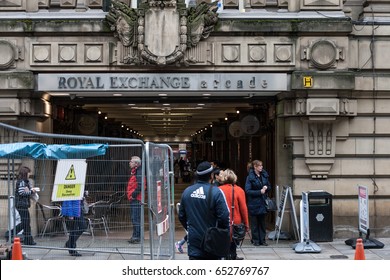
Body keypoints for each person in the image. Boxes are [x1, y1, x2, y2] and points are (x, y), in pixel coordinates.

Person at [178, 161, 230, 260]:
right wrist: (223, 234)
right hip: (212, 241)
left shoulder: (187, 192)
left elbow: (181, 216)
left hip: (194, 241)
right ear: (211, 176)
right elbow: (224, 217)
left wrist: (191, 229)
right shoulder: (217, 192)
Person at [218, 169, 249, 260]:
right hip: (235, 219)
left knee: (224, 238)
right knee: (234, 239)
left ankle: (225, 255)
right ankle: (233, 255)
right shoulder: (239, 190)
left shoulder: (219, 190)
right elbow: (243, 209)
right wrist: (246, 223)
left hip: (222, 219)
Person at [245, 160, 272, 246]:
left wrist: (266, 187)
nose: (261, 167)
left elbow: (269, 186)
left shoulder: (264, 175)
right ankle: (256, 240)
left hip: (262, 202)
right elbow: (248, 191)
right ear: (255, 167)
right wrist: (259, 191)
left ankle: (263, 240)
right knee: (254, 223)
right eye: (259, 166)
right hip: (254, 203)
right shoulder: (250, 177)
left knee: (262, 222)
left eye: (261, 165)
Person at [14, 166, 37, 245]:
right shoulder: (22, 182)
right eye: (28, 173)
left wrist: (31, 189)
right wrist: (32, 191)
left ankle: (28, 240)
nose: (29, 175)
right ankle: (9, 233)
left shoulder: (25, 181)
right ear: (25, 173)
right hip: (21, 205)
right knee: (26, 222)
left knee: (26, 222)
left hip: (23, 204)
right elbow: (21, 192)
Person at [126, 155, 143, 244]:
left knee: (135, 218)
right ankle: (136, 236)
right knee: (135, 218)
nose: (130, 163)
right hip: (135, 198)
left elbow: (141, 185)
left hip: (136, 199)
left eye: (131, 161)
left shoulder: (138, 173)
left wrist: (133, 195)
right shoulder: (136, 172)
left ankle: (136, 237)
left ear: (136, 163)